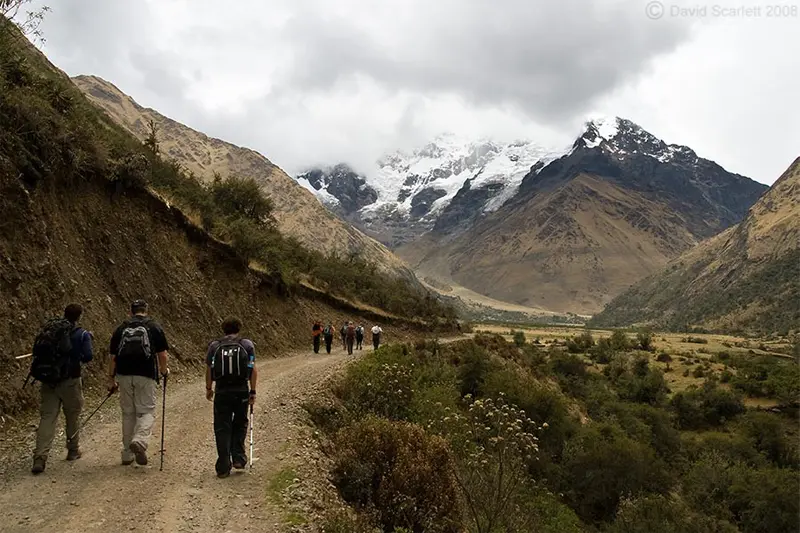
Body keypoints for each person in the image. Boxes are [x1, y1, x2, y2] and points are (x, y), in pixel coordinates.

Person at [31, 303, 94, 475]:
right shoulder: (81, 334)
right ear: (79, 316)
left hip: (48, 380)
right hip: (70, 380)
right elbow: (88, 356)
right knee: (72, 415)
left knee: (47, 418)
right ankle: (73, 450)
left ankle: (40, 457)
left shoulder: (51, 331)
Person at [108, 300, 169, 466]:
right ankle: (140, 440)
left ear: (131, 311)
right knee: (146, 411)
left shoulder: (121, 329)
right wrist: (164, 371)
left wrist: (111, 378)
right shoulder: (153, 327)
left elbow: (113, 356)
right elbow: (162, 355)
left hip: (123, 374)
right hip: (146, 374)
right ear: (146, 310)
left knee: (128, 413)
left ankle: (127, 454)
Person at [205, 316, 257, 478]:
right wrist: (252, 391)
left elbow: (208, 370)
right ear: (239, 328)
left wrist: (209, 388)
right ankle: (239, 459)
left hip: (222, 391)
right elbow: (253, 369)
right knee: (240, 423)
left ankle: (223, 466)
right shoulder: (247, 344)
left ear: (223, 329)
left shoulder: (214, 346)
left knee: (222, 426)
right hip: (241, 389)